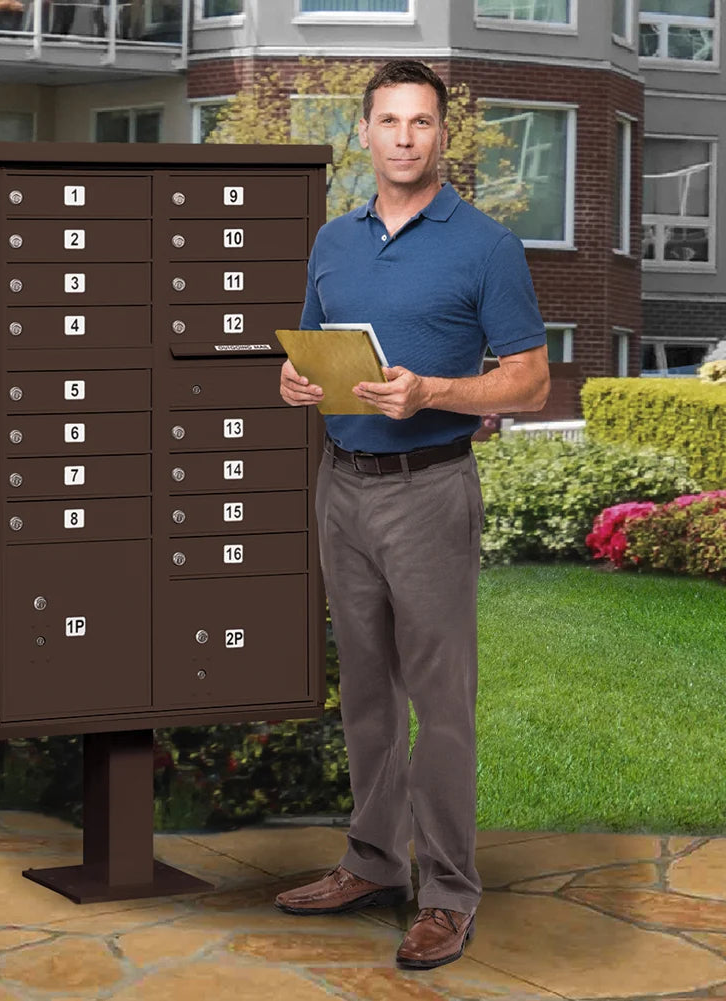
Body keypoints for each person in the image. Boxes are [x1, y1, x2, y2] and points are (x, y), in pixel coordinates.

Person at [275, 59, 550, 971]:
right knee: (364, 690)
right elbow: (317, 352)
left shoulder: (486, 246)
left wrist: (434, 387)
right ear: (364, 133)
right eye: (388, 120)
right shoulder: (332, 242)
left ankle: (447, 894)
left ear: (442, 135)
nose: (403, 136)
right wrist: (294, 380)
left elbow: (532, 378)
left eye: (421, 122)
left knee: (441, 699)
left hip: (430, 486)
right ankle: (370, 859)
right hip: (340, 482)